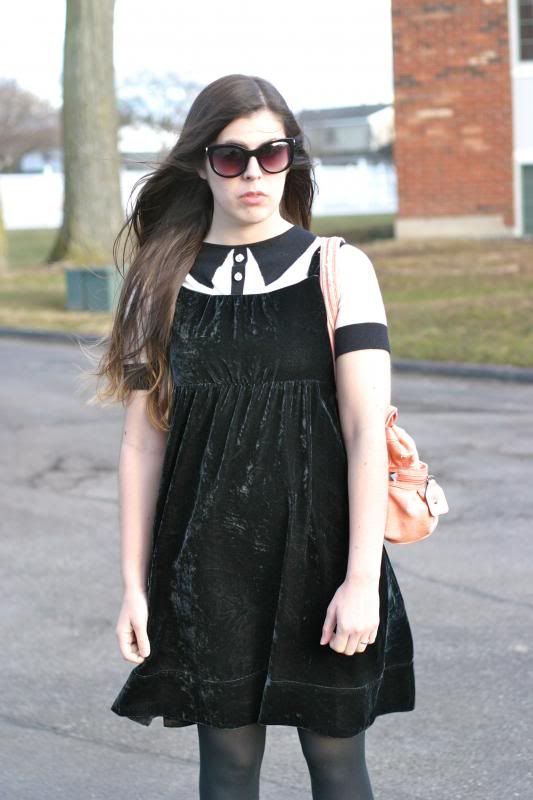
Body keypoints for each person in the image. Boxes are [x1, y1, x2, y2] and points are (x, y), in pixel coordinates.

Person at [89, 73, 415, 800]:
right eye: (231, 156)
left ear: (292, 158)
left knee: (336, 764)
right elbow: (141, 445)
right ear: (201, 163)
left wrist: (361, 580)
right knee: (228, 766)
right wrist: (135, 587)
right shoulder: (157, 282)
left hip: (325, 560)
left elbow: (365, 431)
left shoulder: (339, 268)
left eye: (272, 154)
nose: (254, 174)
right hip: (208, 564)